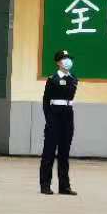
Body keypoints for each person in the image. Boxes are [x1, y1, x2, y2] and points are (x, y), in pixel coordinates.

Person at [39, 49, 79, 196]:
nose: (67, 61)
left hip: (67, 116)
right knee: (49, 152)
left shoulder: (73, 79)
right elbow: (46, 101)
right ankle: (45, 185)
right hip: (54, 116)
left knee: (64, 153)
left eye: (69, 58)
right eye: (64, 59)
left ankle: (64, 186)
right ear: (58, 62)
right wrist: (49, 119)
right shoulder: (53, 79)